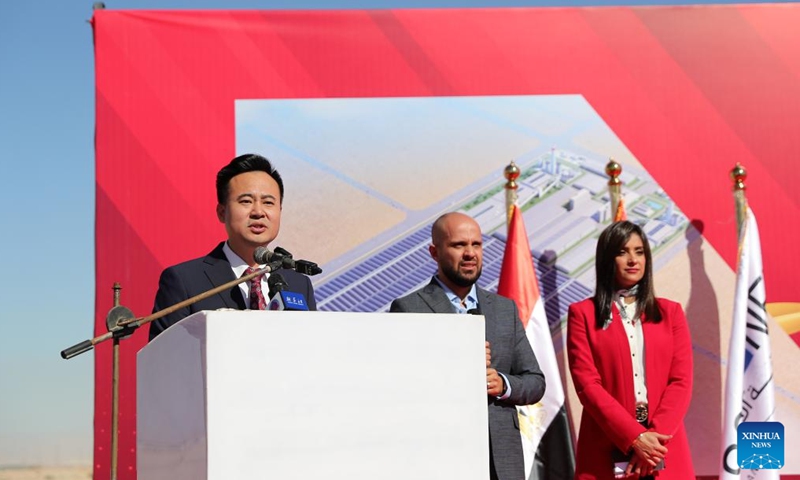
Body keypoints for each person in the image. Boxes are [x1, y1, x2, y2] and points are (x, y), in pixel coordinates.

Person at [390, 212, 545, 480]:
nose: (470, 253)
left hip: (502, 460)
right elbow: (399, 388)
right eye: (459, 245)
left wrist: (503, 384)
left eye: (476, 244)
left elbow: (535, 382)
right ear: (434, 252)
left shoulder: (504, 309)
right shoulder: (409, 308)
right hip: (442, 455)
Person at [567, 221, 694, 479]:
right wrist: (634, 437)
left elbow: (681, 381)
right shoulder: (582, 314)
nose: (632, 260)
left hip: (664, 446)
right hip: (605, 448)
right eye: (622, 252)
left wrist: (652, 443)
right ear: (607, 259)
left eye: (639, 251)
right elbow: (587, 386)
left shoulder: (671, 313)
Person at [148, 153, 316, 341]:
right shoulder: (184, 282)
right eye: (246, 201)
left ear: (279, 211)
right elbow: (166, 358)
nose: (258, 212)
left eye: (268, 202)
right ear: (222, 212)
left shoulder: (299, 284)